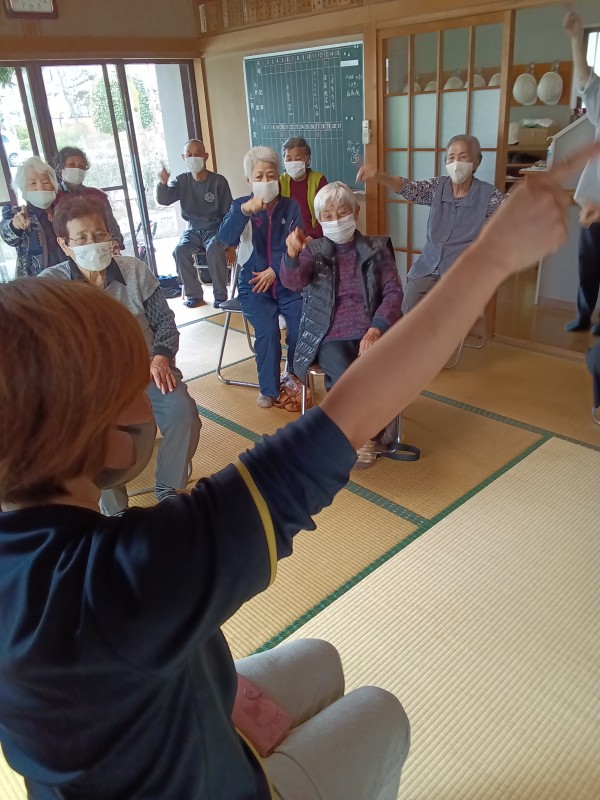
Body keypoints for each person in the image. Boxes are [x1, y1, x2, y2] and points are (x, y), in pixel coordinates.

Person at [1, 141, 594, 800]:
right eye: (129, 385)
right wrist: (494, 254)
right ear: (92, 432)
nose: (152, 398)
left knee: (320, 657)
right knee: (382, 714)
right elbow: (348, 415)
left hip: (152, 713)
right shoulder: (127, 579)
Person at [40, 196, 201, 515]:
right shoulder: (51, 286)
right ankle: (113, 510)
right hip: (90, 386)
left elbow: (164, 323)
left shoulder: (135, 271)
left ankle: (169, 485)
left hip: (147, 370)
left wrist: (161, 357)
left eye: (99, 234)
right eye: (82, 238)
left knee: (183, 413)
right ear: (64, 245)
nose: (93, 243)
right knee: (95, 436)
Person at [281, 181, 403, 467]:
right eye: (328, 215)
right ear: (319, 220)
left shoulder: (377, 248)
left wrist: (375, 329)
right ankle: (363, 436)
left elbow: (393, 292)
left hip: (371, 330)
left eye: (342, 212)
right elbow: (293, 282)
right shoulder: (313, 250)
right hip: (328, 334)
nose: (335, 220)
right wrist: (292, 255)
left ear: (356, 212)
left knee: (375, 374)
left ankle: (361, 434)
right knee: (346, 380)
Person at [357, 135, 504, 313]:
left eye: (463, 157)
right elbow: (410, 189)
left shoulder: (489, 195)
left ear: (476, 163)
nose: (456, 162)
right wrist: (379, 176)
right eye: (451, 157)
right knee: (409, 310)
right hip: (428, 267)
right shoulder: (437, 187)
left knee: (450, 317)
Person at [217, 146, 304, 408]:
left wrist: (275, 270)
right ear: (249, 180)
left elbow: (297, 246)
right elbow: (224, 238)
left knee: (300, 327)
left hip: (288, 282)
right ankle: (269, 389)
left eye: (271, 175)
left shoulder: (291, 206)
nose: (266, 181)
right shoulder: (240, 207)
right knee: (267, 332)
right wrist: (244, 211)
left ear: (279, 177)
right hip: (253, 286)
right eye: (259, 176)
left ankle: (294, 379)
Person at [156, 138, 233, 308]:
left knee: (214, 249)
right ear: (183, 157)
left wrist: (231, 243)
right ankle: (194, 295)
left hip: (215, 230)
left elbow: (229, 213)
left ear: (205, 156)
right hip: (192, 231)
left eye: (197, 154)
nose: (193, 157)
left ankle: (221, 296)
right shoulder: (181, 181)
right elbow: (164, 200)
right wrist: (163, 182)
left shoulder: (218, 181)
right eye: (189, 154)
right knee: (180, 250)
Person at [563, 9, 600, 335]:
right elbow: (586, 82)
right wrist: (577, 38)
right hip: (594, 204)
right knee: (587, 262)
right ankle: (585, 314)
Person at [0, 156, 64, 277]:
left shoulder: (64, 211)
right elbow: (6, 234)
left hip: (69, 277)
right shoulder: (16, 213)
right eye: (33, 183)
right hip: (36, 282)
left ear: (54, 186)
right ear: (23, 190)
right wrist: (15, 226)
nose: (41, 187)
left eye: (46, 182)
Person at [53, 145, 125, 251]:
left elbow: (111, 225)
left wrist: (115, 242)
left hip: (101, 250)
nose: (77, 169)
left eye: (81, 166)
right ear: (60, 168)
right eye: (71, 165)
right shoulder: (53, 198)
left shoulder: (97, 195)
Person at [279, 136, 328, 239]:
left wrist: (311, 237)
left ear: (307, 159)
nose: (293, 163)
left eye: (298, 159)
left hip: (314, 237)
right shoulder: (280, 181)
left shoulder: (319, 180)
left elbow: (327, 214)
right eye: (289, 159)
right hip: (287, 238)